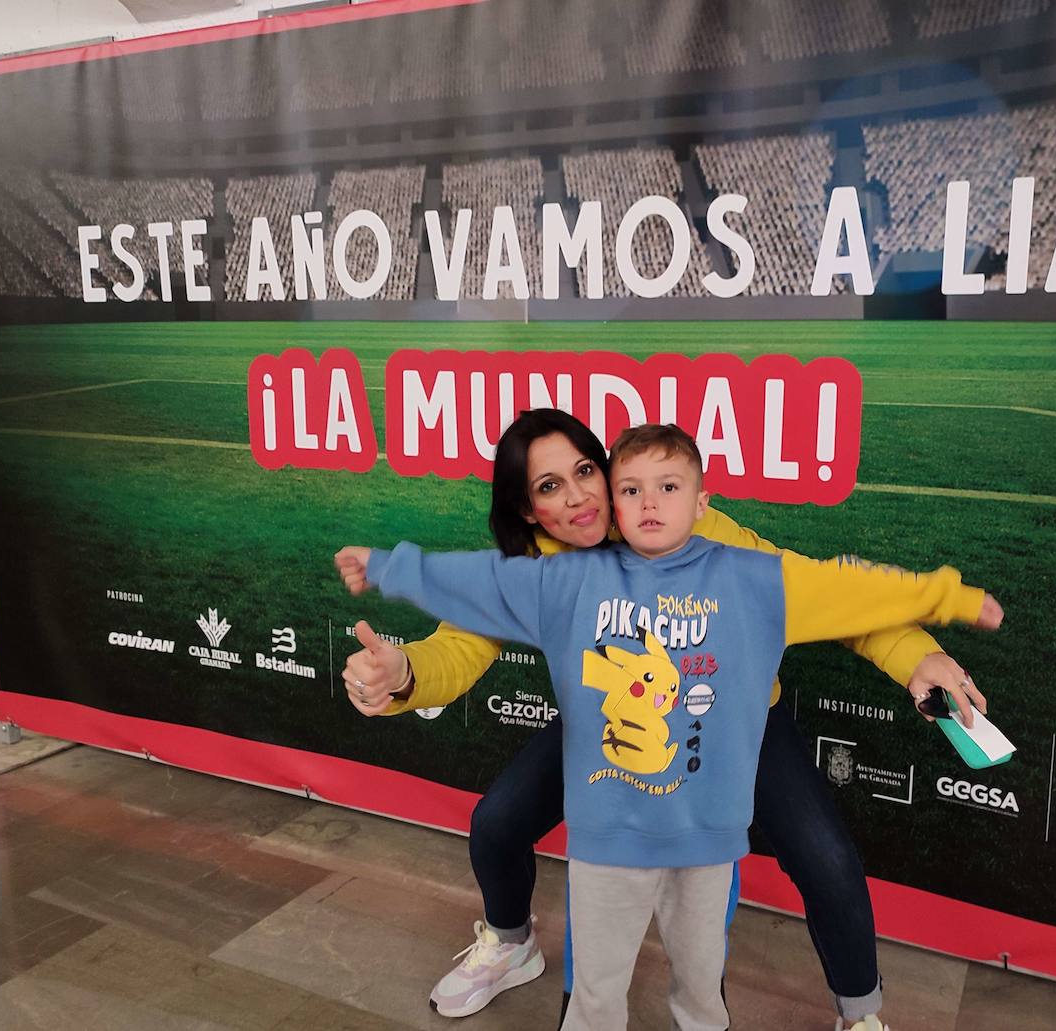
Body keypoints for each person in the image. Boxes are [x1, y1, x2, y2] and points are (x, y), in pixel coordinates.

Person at [337, 421, 1003, 1031]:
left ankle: (860, 1015)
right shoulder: (536, 568)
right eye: (548, 486)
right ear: (526, 508)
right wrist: (403, 672)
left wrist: (921, 656)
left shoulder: (683, 522)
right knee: (497, 820)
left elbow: (825, 593)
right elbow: (457, 647)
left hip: (735, 721)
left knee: (825, 857)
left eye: (584, 472)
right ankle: (512, 945)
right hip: (612, 727)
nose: (577, 497)